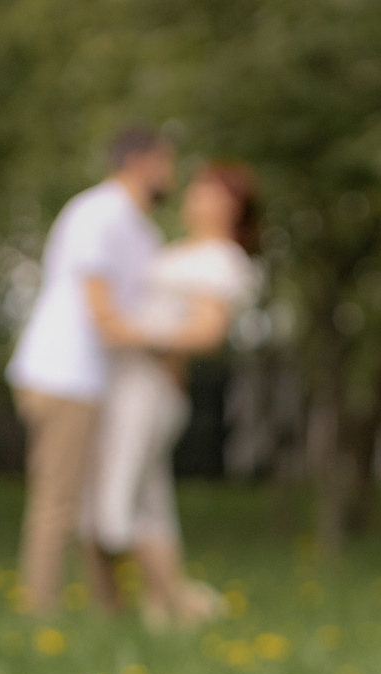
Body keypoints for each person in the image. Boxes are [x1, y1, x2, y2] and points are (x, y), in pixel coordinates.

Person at [5, 126, 176, 616]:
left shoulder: (142, 230)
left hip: (101, 381)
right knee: (59, 501)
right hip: (64, 374)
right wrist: (183, 337)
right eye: (166, 162)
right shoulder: (98, 213)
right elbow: (103, 316)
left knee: (100, 502)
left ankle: (112, 609)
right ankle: (40, 614)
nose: (171, 174)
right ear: (141, 162)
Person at [84, 163, 262, 630]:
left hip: (150, 391)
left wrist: (130, 333)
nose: (198, 197)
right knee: (152, 506)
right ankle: (162, 611)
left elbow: (207, 332)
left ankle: (182, 600)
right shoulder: (178, 249)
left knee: (115, 507)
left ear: (234, 208)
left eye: (213, 192)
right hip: (130, 386)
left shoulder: (221, 258)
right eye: (199, 188)